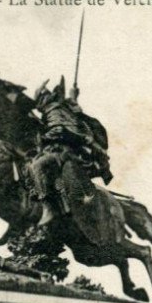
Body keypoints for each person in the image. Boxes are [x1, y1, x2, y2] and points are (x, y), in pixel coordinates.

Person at [30, 76, 112, 227]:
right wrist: (73, 97)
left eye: (42, 97)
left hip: (63, 152)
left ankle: (49, 207)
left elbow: (66, 129)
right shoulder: (56, 111)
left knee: (37, 166)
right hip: (54, 150)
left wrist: (46, 135)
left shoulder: (57, 111)